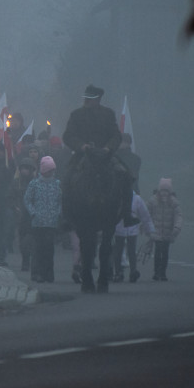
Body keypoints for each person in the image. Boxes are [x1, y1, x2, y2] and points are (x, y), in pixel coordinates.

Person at [62, 84, 127, 293]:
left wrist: (109, 147)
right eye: (86, 98)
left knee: (126, 175)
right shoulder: (76, 114)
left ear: (98, 99)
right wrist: (82, 146)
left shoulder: (108, 114)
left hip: (106, 156)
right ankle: (66, 214)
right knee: (67, 177)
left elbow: (117, 135)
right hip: (85, 155)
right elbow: (68, 136)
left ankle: (125, 210)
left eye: (91, 98)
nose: (87, 101)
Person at [24, 156, 62, 282]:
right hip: (37, 222)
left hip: (51, 223)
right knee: (37, 249)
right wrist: (33, 213)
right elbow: (27, 199)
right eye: (50, 169)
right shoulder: (34, 183)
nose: (52, 172)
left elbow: (61, 201)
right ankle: (36, 273)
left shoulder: (57, 184)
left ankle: (48, 274)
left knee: (49, 250)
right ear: (44, 170)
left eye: (53, 169)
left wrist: (58, 213)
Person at [112, 191, 155, 283]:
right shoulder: (117, 197)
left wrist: (150, 230)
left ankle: (133, 271)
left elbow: (145, 215)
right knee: (118, 252)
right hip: (119, 228)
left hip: (132, 229)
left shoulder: (137, 199)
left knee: (131, 251)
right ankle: (118, 272)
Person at [147, 178, 183, 281]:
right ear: (159, 190)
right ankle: (156, 272)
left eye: (166, 190)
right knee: (158, 251)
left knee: (165, 252)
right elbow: (146, 214)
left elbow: (178, 216)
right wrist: (147, 227)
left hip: (168, 232)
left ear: (169, 191)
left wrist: (177, 227)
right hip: (156, 231)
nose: (164, 193)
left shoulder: (174, 203)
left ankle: (163, 272)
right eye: (162, 190)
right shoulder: (152, 201)